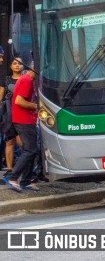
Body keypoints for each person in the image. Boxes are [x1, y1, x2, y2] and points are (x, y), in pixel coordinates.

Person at [3, 64, 39, 192]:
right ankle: (13, 177)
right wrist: (36, 106)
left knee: (31, 150)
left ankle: (26, 181)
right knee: (30, 150)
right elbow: (19, 101)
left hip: (23, 120)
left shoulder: (24, 79)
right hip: (24, 120)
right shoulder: (27, 80)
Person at [1, 57, 24, 176]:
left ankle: (24, 169)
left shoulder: (27, 79)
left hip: (23, 114)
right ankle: (10, 170)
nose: (17, 65)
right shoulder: (6, 80)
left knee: (23, 143)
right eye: (15, 63)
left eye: (20, 63)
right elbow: (1, 98)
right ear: (10, 66)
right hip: (9, 114)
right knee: (10, 141)